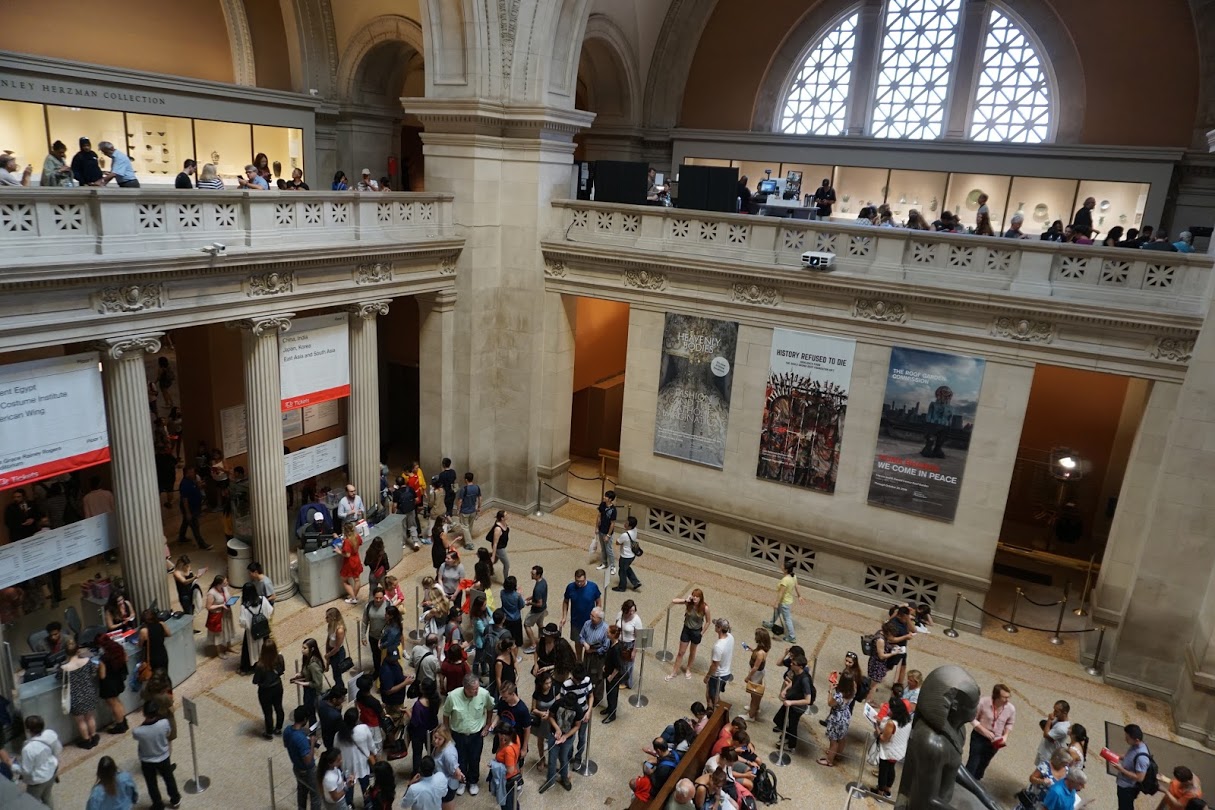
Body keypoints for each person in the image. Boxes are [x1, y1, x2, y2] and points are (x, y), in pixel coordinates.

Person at [442, 672, 495, 796]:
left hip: (476, 735)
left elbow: (490, 708)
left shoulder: (483, 694)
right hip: (458, 734)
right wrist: (447, 732)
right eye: (473, 690)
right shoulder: (453, 696)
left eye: (477, 688)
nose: (476, 692)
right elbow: (446, 714)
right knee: (460, 758)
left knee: (474, 758)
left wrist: (488, 725)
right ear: (465, 688)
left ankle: (473, 781)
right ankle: (462, 781)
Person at [0, 715, 61, 805]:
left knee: (32, 802)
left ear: (28, 730)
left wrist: (12, 765)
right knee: (47, 796)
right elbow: (58, 749)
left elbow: (26, 771)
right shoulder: (50, 734)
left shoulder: (28, 749)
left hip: (38, 780)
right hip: (52, 771)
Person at [134, 700, 181, 810]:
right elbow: (168, 733)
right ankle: (175, 799)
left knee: (151, 783)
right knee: (169, 778)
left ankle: (158, 804)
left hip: (147, 760)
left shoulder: (138, 731)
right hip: (163, 756)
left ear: (144, 713)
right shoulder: (164, 723)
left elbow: (136, 738)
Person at [61, 638, 101, 748]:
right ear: (78, 650)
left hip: (75, 698)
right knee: (90, 718)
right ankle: (94, 736)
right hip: (89, 693)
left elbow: (59, 679)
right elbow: (93, 673)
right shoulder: (87, 661)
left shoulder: (64, 668)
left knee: (80, 721)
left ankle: (86, 740)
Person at [873, 688, 913, 797]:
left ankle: (880, 792)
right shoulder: (908, 720)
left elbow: (883, 738)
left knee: (883, 771)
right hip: (899, 750)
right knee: (891, 769)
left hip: (888, 751)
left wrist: (876, 727)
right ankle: (888, 790)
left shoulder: (892, 723)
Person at [541, 689, 583, 793]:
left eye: (570, 707)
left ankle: (564, 778)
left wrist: (566, 736)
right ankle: (550, 781)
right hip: (554, 735)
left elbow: (577, 725)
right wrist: (557, 728)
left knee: (564, 758)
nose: (568, 707)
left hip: (568, 738)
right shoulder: (558, 703)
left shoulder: (578, 709)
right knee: (552, 759)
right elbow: (550, 716)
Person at [773, 653, 815, 752]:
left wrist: (791, 702)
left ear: (800, 666)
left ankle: (791, 745)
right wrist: (785, 690)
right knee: (778, 719)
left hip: (797, 707)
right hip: (791, 701)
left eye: (793, 663)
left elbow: (807, 700)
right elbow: (793, 683)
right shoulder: (797, 673)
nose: (791, 664)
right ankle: (786, 735)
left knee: (793, 726)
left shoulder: (805, 679)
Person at [666, 588, 710, 680]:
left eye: (697, 597)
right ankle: (674, 671)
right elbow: (674, 601)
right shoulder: (689, 603)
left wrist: (701, 633)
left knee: (692, 651)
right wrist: (686, 600)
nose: (695, 598)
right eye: (694, 596)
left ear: (701, 598)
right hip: (686, 629)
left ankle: (688, 668)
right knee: (681, 652)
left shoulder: (704, 608)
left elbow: (708, 621)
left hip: (696, 631)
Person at [284, 706, 322, 810]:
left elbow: (286, 745)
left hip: (296, 767)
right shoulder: (300, 739)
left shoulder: (287, 730)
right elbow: (308, 760)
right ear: (305, 719)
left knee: (301, 791)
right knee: (315, 795)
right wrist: (312, 743)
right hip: (308, 770)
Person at [335, 708, 374, 806]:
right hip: (362, 764)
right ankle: (368, 803)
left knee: (348, 787)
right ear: (357, 719)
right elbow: (371, 746)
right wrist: (375, 754)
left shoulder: (339, 735)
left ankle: (349, 805)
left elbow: (336, 750)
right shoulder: (364, 729)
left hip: (347, 766)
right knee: (365, 786)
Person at [561, 568, 603, 653]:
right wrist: (564, 616)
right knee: (578, 642)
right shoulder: (570, 587)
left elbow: (598, 601)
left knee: (590, 643)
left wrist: (598, 615)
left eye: (581, 581)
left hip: (590, 621)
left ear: (585, 578)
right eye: (577, 581)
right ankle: (579, 660)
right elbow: (566, 602)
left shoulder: (593, 587)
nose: (579, 583)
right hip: (576, 621)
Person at [818, 671, 855, 766]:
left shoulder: (839, 695)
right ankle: (837, 754)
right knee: (842, 737)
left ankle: (829, 760)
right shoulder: (852, 691)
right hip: (845, 716)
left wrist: (830, 691)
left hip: (836, 718)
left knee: (833, 741)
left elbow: (830, 703)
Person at [1113, 724, 1153, 810]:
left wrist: (1121, 769)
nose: (1125, 739)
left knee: (1126, 806)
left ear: (1137, 740)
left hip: (1128, 787)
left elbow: (1139, 778)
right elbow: (1130, 756)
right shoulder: (1135, 745)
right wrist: (1117, 756)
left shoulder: (1142, 758)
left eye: (1127, 738)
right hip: (1123, 783)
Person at [253, 638, 286, 739]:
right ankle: (279, 728)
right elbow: (282, 670)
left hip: (265, 690)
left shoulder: (260, 665)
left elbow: (255, 680)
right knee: (279, 707)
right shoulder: (279, 658)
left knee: (268, 712)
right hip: (277, 687)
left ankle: (269, 732)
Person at [238, 581, 274, 674]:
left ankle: (250, 667)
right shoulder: (263, 600)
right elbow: (270, 611)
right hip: (263, 629)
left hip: (252, 633)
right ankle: (266, 662)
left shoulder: (244, 606)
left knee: (249, 650)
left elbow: (243, 623)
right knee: (265, 646)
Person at [766, 560, 806, 642]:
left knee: (787, 619)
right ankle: (771, 624)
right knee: (777, 613)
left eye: (783, 566)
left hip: (784, 602)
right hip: (787, 600)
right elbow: (796, 585)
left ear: (786, 570)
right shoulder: (793, 576)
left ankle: (792, 636)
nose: (781, 566)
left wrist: (776, 603)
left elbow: (781, 593)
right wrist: (799, 595)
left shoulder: (785, 580)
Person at [97, 635, 129, 733]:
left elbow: (102, 676)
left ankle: (120, 725)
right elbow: (126, 659)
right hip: (118, 680)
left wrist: (98, 668)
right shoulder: (119, 649)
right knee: (117, 701)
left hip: (108, 684)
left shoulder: (104, 658)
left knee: (114, 704)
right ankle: (123, 721)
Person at [292, 639, 326, 723]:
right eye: (302, 647)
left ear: (312, 649)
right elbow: (307, 671)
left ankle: (313, 733)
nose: (302, 650)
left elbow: (317, 683)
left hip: (313, 692)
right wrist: (301, 674)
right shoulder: (307, 658)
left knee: (311, 712)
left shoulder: (313, 665)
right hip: (308, 690)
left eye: (305, 648)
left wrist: (301, 683)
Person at [704, 618, 735, 710]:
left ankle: (716, 712)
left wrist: (707, 676)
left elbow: (714, 665)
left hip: (718, 675)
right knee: (715, 693)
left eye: (716, 625)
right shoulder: (730, 637)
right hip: (726, 672)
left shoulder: (718, 646)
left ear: (719, 628)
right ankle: (712, 710)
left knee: (712, 695)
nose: (715, 626)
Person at [491, 723, 522, 810]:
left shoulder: (508, 750)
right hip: (513, 776)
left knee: (506, 804)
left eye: (499, 735)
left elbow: (510, 769)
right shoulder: (516, 737)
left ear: (503, 735)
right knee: (513, 801)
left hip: (506, 780)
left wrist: (494, 765)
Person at [204, 575, 236, 657]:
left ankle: (229, 646)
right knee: (218, 633)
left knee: (228, 628)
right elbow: (208, 607)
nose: (227, 583)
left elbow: (227, 597)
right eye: (225, 582)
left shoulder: (224, 588)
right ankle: (219, 651)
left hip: (227, 612)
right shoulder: (211, 593)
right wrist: (221, 605)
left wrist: (231, 601)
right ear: (219, 584)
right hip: (218, 615)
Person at [743, 627, 770, 722]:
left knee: (754, 694)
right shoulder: (763, 649)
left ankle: (751, 715)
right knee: (753, 692)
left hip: (756, 674)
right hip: (758, 673)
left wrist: (748, 676)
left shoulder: (760, 653)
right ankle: (754, 708)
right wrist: (751, 649)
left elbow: (755, 667)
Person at [600, 623, 625, 724]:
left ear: (613, 634)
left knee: (613, 695)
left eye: (608, 632)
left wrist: (611, 676)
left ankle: (612, 714)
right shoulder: (611, 643)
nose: (606, 633)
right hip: (608, 672)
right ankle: (609, 708)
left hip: (613, 677)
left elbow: (618, 666)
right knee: (609, 693)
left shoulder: (617, 649)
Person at [1036, 700, 1071, 766]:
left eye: (1056, 711)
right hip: (1044, 750)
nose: (1054, 713)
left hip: (1049, 755)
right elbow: (1043, 723)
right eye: (1054, 710)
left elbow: (1046, 735)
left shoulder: (1063, 729)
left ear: (1064, 713)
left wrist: (1049, 720)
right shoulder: (1057, 718)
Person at [139, 607, 172, 675]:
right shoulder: (161, 624)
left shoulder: (144, 631)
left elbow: (140, 645)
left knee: (155, 681)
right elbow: (169, 634)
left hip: (152, 659)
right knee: (165, 676)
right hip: (163, 655)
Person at [613, 515, 643, 592]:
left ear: (630, 526)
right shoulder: (635, 530)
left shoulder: (625, 535)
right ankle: (635, 582)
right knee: (626, 568)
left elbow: (617, 542)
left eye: (627, 523)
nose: (625, 524)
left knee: (622, 571)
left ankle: (622, 587)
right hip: (632, 555)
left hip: (625, 556)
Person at [337, 522, 364, 605]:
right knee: (357, 579)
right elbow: (360, 543)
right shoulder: (357, 537)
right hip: (357, 560)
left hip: (349, 563)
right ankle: (354, 596)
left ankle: (353, 598)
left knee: (344, 580)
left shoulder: (347, 541)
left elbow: (347, 555)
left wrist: (339, 551)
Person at [523, 565, 548, 654]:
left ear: (538, 575)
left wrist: (529, 603)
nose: (531, 575)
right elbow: (540, 596)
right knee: (540, 623)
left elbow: (539, 603)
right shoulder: (543, 582)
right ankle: (543, 641)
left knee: (526, 624)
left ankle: (534, 645)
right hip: (543, 609)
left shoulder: (538, 588)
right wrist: (531, 597)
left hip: (537, 610)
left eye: (533, 574)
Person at [457, 472, 482, 551]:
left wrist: (458, 510)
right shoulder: (477, 487)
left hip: (465, 511)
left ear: (466, 480)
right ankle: (468, 538)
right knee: (470, 526)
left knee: (465, 527)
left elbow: (460, 501)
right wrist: (479, 507)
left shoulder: (464, 489)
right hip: (473, 510)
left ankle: (469, 543)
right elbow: (480, 498)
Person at [596, 490, 618, 575]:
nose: (604, 497)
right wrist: (597, 527)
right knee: (603, 548)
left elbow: (612, 523)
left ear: (610, 499)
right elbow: (599, 516)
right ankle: (604, 563)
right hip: (601, 529)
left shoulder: (613, 510)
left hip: (607, 532)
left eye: (606, 496)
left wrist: (608, 535)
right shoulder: (602, 504)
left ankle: (612, 566)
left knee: (609, 549)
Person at [488, 510, 511, 582]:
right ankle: (506, 580)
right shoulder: (498, 529)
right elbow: (495, 543)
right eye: (506, 515)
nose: (508, 515)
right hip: (499, 548)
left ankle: (488, 569)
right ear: (502, 518)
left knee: (494, 561)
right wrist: (493, 555)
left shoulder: (504, 523)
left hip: (502, 545)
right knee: (507, 564)